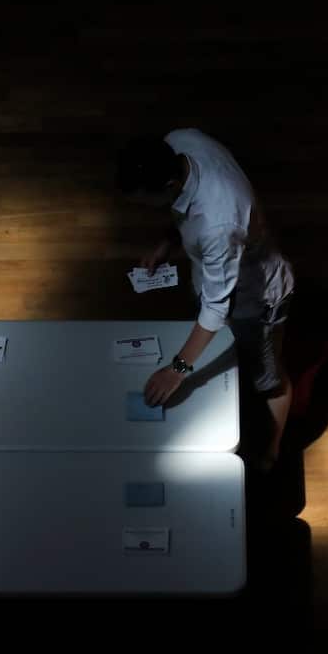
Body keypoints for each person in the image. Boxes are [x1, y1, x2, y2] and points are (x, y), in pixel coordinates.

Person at [117, 129, 295, 470]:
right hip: (219, 279)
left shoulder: (218, 223)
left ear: (168, 185)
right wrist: (166, 243)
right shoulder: (181, 141)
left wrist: (177, 370)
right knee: (221, 351)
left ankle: (271, 454)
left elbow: (217, 308)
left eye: (144, 200)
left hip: (257, 300)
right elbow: (180, 211)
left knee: (269, 381)